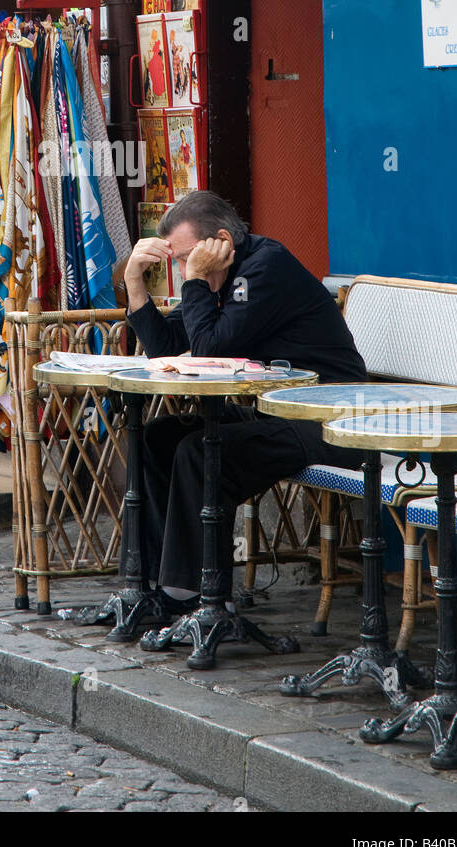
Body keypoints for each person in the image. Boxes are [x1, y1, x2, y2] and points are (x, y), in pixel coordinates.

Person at [122, 190, 367, 607]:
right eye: (179, 262)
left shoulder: (266, 268)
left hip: (329, 420)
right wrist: (134, 284)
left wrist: (197, 279)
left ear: (220, 240)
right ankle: (152, 585)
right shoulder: (221, 271)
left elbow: (208, 350)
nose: (183, 270)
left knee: (201, 452)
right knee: (157, 438)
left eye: (185, 259)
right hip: (277, 412)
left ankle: (200, 595)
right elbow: (165, 346)